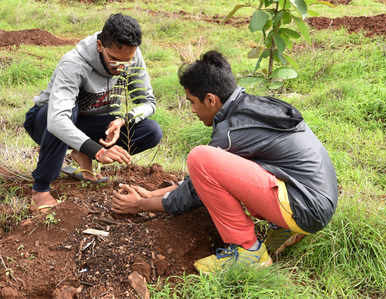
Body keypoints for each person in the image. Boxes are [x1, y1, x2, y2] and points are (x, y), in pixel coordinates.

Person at [111, 50, 338, 274]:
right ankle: (283, 227)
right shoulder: (250, 107)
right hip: (316, 197)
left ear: (210, 99)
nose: (191, 110)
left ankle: (248, 252)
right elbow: (204, 181)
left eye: (191, 102)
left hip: (305, 206)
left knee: (200, 157)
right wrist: (150, 194)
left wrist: (141, 205)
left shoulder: (231, 132)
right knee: (210, 165)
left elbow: (195, 190)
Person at [24, 13, 162, 211]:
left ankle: (81, 151)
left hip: (91, 121)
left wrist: (123, 120)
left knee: (150, 131)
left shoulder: (132, 57)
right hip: (45, 121)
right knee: (66, 113)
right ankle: (41, 189)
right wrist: (98, 151)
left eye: (127, 62)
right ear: (100, 46)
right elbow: (57, 120)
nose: (120, 68)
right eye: (114, 60)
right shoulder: (73, 64)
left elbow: (148, 102)